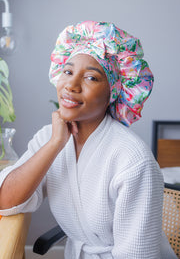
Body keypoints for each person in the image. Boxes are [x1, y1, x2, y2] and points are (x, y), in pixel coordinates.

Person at [0, 21, 177, 259]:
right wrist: (54, 145)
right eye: (68, 71)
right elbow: (6, 200)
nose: (71, 85)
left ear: (113, 93)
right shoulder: (49, 136)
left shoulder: (133, 160)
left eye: (91, 78)